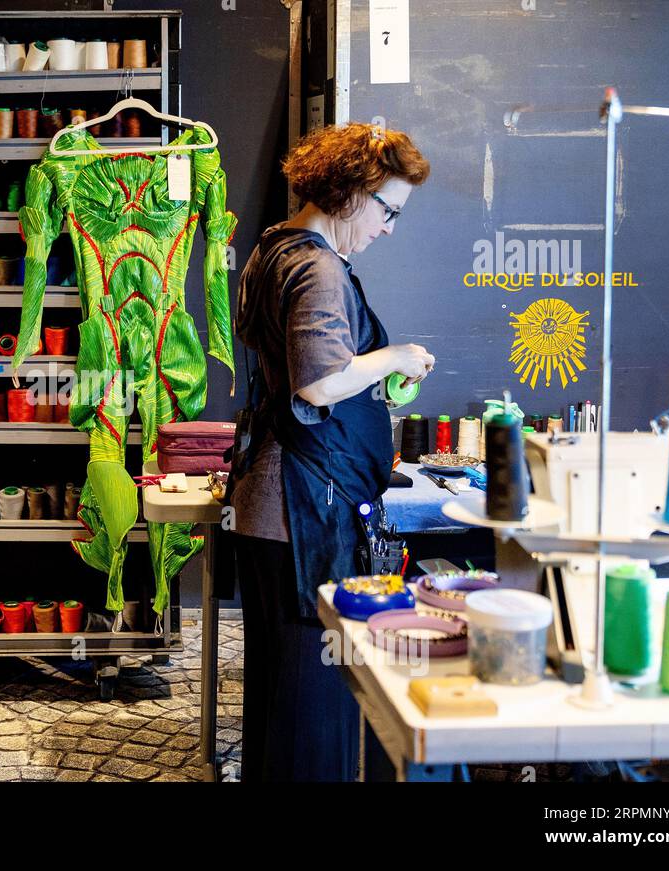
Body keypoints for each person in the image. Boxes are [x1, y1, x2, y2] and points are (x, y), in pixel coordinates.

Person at [229, 123, 433, 781]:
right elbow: (317, 379)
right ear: (352, 191)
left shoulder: (273, 248)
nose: (390, 228)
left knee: (279, 691)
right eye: (388, 210)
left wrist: (372, 378)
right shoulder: (317, 266)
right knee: (311, 705)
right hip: (302, 511)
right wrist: (393, 356)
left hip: (273, 502)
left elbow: (304, 375)